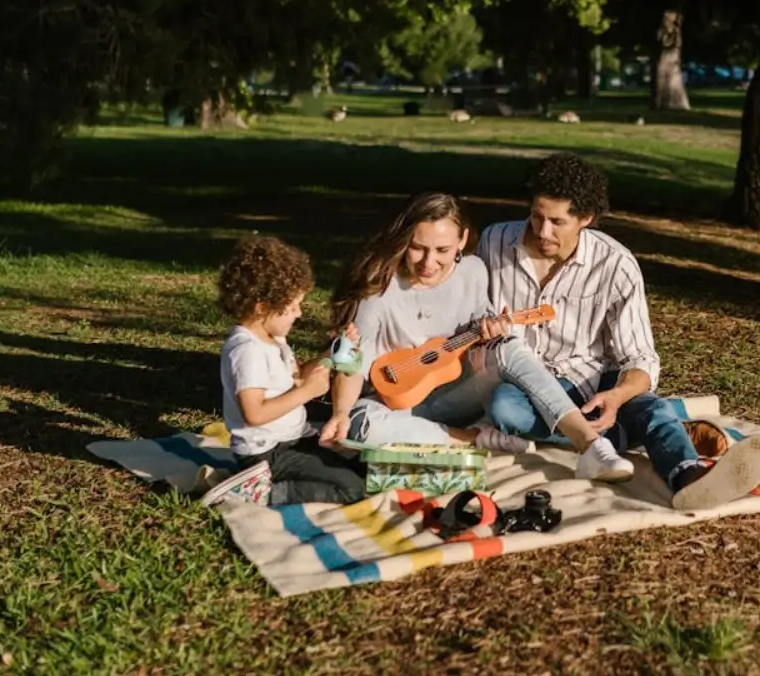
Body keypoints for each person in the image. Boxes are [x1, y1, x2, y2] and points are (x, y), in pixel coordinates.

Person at [481, 152, 760, 510]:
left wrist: (617, 398)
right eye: (536, 216)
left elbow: (639, 356)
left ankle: (690, 478)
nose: (542, 231)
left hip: (592, 380)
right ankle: (625, 434)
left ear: (586, 219)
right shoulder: (494, 242)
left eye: (557, 222)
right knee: (503, 411)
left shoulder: (615, 263)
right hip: (524, 384)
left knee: (645, 405)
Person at [318, 193, 634, 481]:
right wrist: (341, 412)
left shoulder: (473, 272)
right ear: (403, 242)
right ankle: (477, 438)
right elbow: (352, 361)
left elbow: (481, 340)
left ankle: (591, 445)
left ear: (462, 241)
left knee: (506, 347)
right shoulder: (379, 289)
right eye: (417, 248)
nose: (428, 263)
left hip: (460, 393)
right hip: (399, 407)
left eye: (442, 250)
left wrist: (490, 333)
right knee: (360, 424)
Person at [199, 236, 366, 508]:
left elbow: (297, 377)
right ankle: (259, 494)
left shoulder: (272, 338)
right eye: (291, 308)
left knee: (360, 465)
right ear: (262, 308)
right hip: (266, 453)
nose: (298, 314)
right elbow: (254, 414)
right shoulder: (246, 351)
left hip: (293, 437)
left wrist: (332, 355)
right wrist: (306, 393)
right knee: (353, 490)